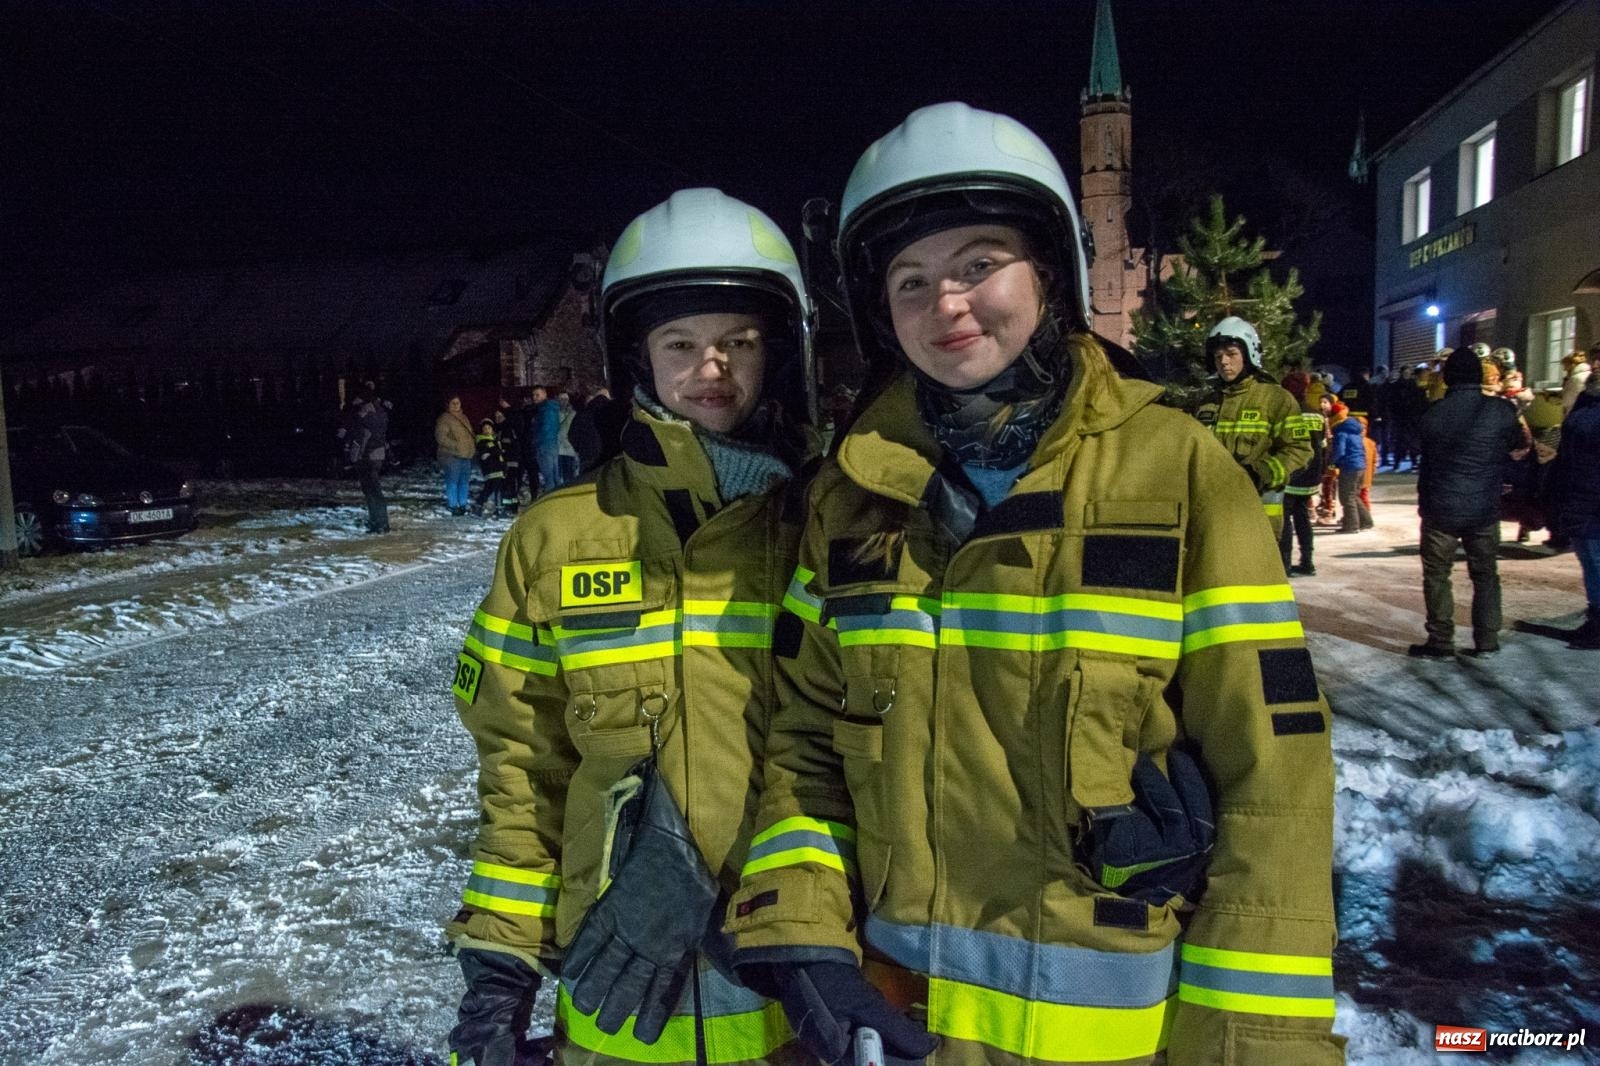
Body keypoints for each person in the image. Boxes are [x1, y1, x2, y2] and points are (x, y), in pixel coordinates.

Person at [726, 103, 1344, 1066]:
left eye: (980, 265)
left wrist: (1253, 1045)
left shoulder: (1175, 472)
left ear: (1048, 273)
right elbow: (806, 739)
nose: (949, 306)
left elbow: (1276, 778)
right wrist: (801, 932)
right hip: (900, 1029)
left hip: (1109, 1038)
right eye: (912, 281)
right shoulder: (853, 499)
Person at [443, 187, 820, 1066]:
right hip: (617, 989)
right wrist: (500, 972)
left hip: (799, 996)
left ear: (780, 353)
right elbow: (523, 767)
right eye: (680, 343)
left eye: (739, 341)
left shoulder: (830, 527)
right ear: (637, 359)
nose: (711, 368)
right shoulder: (557, 538)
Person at [1409, 347, 1526, 659]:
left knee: (1437, 575)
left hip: (1440, 507)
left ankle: (1441, 641)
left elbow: (1419, 450)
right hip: (1484, 507)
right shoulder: (1499, 411)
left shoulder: (1433, 413)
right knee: (1486, 574)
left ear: (1447, 378)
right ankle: (1487, 640)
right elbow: (1519, 443)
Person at [1194, 316, 1313, 541]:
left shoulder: (1275, 399)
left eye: (1231, 354)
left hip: (1258, 517)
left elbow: (1300, 451)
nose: (1224, 362)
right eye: (1218, 356)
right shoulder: (1206, 403)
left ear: (1249, 354)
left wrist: (1261, 472)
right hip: (1212, 516)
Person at [1549, 374, 1600, 648]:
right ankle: (1595, 619)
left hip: (1591, 497)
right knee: (1590, 559)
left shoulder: (1588, 408)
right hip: (1580, 494)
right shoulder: (1587, 400)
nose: (1596, 365)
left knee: (1595, 560)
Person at [1279, 371, 1323, 574]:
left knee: (1285, 517)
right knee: (1303, 516)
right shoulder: (1316, 412)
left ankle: (1284, 563)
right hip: (1311, 474)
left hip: (1291, 473)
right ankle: (1308, 561)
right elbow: (1323, 445)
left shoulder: (1288, 412)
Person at [1327, 402, 1372, 533]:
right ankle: (1366, 521)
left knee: (1347, 497)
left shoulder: (1341, 431)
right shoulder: (1354, 429)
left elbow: (1340, 450)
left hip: (1349, 467)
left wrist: (1332, 462)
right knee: (1354, 495)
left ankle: (1352, 526)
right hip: (1360, 466)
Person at [436, 395, 477, 516]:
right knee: (453, 481)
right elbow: (441, 437)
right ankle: (453, 505)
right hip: (452, 455)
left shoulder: (464, 417)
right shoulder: (444, 418)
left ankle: (463, 504)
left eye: (457, 403)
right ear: (447, 404)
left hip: (466, 455)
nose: (455, 405)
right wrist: (456, 446)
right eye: (453, 403)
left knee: (464, 481)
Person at [472, 418, 507, 517]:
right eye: (485, 428)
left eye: (489, 428)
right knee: (498, 488)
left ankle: (478, 505)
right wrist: (498, 451)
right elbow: (496, 451)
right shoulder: (483, 441)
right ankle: (499, 509)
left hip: (497, 467)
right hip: (492, 468)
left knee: (489, 488)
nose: (487, 430)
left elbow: (494, 451)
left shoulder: (494, 440)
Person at [533, 385, 563, 495]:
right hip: (552, 444)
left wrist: (536, 442)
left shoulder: (545, 410)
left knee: (549, 478)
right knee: (555, 477)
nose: (535, 397)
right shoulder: (551, 408)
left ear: (544, 394)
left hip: (544, 446)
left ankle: (551, 503)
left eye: (537, 395)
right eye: (533, 395)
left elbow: (545, 429)